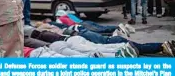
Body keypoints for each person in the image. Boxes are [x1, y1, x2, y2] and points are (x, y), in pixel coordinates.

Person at [24, 25, 175, 57]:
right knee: (102, 41)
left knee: (100, 44)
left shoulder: (35, 33)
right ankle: (120, 41)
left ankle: (120, 48)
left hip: (73, 36)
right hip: (75, 35)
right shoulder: (43, 30)